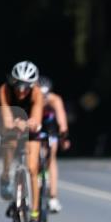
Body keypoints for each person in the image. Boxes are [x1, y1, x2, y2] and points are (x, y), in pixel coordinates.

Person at [0, 61, 44, 222]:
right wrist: (13, 124)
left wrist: (26, 124)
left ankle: (34, 216)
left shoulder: (37, 93)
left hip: (29, 124)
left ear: (33, 85)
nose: (22, 90)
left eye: (26, 87)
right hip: (12, 121)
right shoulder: (4, 90)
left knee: (32, 169)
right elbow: (7, 117)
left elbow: (36, 120)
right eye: (18, 85)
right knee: (8, 141)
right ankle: (5, 175)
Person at [37, 76, 71, 213]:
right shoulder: (30, 100)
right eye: (40, 96)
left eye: (45, 96)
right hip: (34, 125)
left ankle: (53, 197)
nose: (43, 99)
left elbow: (62, 121)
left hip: (49, 126)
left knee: (52, 156)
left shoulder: (55, 100)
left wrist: (63, 136)